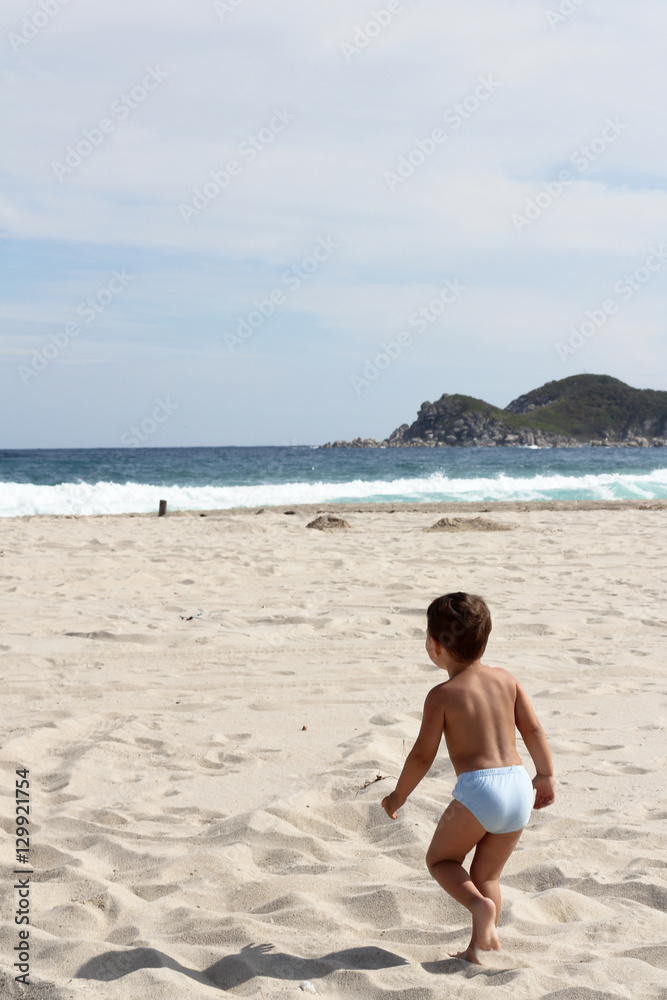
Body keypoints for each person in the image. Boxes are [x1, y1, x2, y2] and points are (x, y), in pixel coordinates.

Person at [381, 592, 555, 964]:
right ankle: (479, 946)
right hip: (520, 788)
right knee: (487, 874)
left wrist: (399, 794)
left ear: (435, 646)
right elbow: (534, 731)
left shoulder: (442, 696)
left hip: (481, 792)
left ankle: (479, 907)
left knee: (441, 860)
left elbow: (422, 756)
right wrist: (545, 774)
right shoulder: (507, 680)